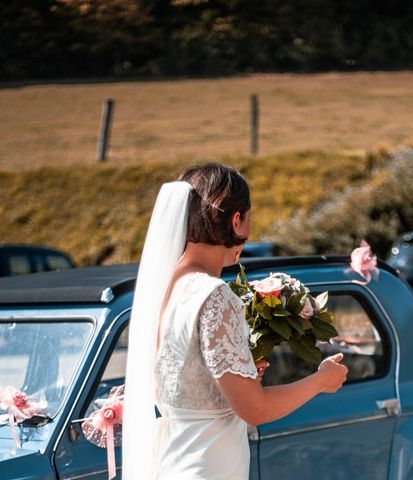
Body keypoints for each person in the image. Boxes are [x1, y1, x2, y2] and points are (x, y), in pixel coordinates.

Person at [122, 163, 348, 480]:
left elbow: (184, 378)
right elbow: (254, 409)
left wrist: (240, 372)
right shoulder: (213, 295)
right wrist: (321, 380)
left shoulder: (162, 288)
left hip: (173, 461)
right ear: (236, 220)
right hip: (208, 467)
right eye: (249, 217)